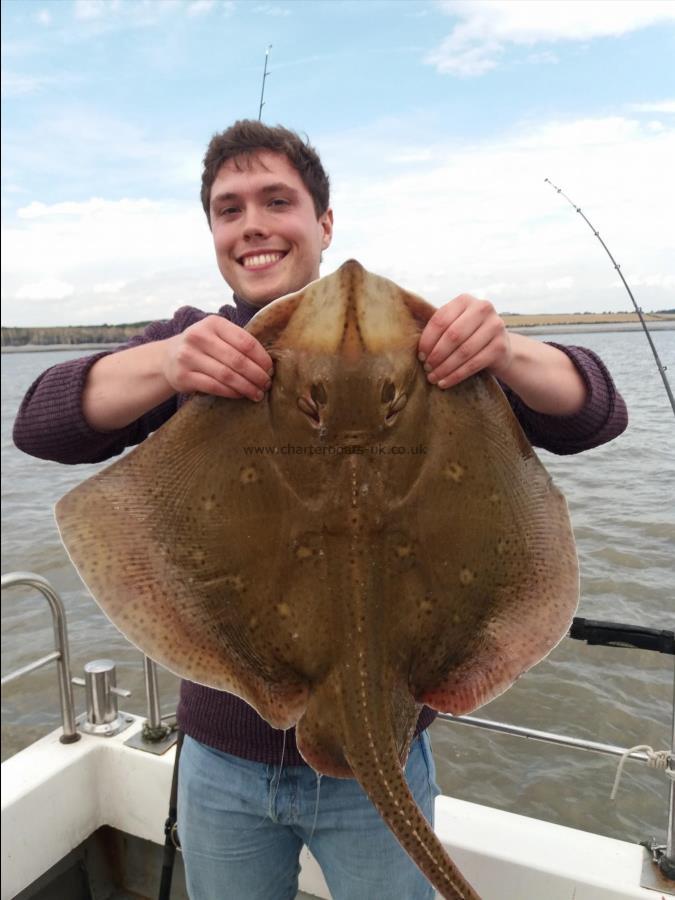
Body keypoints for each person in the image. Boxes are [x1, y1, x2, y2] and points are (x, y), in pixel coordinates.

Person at [14, 119, 628, 900]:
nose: (253, 224)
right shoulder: (189, 349)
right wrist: (169, 364)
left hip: (384, 753)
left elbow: (594, 414)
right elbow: (40, 424)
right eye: (229, 208)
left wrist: (500, 351)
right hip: (220, 759)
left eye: (277, 200)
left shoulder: (422, 350)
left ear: (323, 222)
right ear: (211, 232)